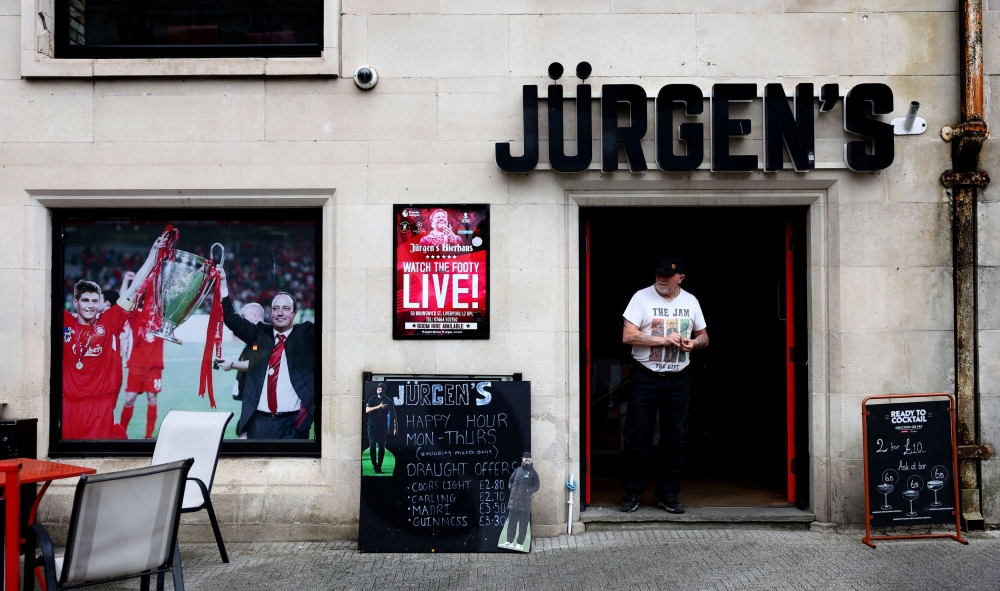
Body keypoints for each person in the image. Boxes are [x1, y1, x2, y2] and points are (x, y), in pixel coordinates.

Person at [620, 255, 709, 514]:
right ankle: (633, 492)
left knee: (675, 438)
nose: (661, 279)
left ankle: (668, 494)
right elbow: (627, 335)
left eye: (668, 276)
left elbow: (703, 336)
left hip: (679, 378)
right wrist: (663, 340)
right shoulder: (641, 297)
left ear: (680, 278)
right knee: (638, 435)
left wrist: (694, 343)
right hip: (646, 376)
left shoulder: (691, 301)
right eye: (658, 274)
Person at [62, 235, 168, 440]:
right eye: (85, 300)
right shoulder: (65, 322)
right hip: (68, 407)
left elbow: (135, 288)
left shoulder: (109, 322)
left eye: (95, 300)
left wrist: (154, 252)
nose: (90, 305)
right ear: (75, 302)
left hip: (98, 407)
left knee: (97, 462)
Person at [219, 267, 315, 439]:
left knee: (293, 466)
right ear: (270, 313)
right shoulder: (260, 333)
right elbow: (231, 319)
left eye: (286, 309)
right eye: (276, 308)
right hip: (260, 423)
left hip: (294, 424)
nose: (280, 313)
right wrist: (223, 284)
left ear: (294, 314)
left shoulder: (305, 334)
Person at [218, 302, 265, 403]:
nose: (242, 320)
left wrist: (231, 364)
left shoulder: (263, 336)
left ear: (255, 317)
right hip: (253, 396)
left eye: (244, 316)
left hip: (257, 398)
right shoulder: (255, 336)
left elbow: (255, 363)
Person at [502, 452, 539, 551]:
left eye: (529, 457)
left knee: (523, 524)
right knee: (512, 523)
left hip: (525, 504)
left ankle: (520, 544)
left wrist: (528, 490)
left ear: (531, 459)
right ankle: (509, 541)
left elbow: (536, 486)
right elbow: (510, 480)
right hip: (513, 504)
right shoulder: (517, 470)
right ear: (522, 459)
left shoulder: (533, 473)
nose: (527, 459)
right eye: (525, 457)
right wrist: (511, 488)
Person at [364, 382, 398, 474]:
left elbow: (393, 415)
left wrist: (394, 428)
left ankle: (379, 467)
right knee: (372, 446)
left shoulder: (388, 400)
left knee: (382, 447)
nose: (379, 390)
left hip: (382, 427)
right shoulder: (372, 398)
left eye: (381, 388)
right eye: (378, 388)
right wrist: (379, 407)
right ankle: (375, 467)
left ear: (384, 390)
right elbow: (367, 410)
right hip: (372, 426)